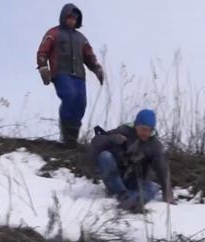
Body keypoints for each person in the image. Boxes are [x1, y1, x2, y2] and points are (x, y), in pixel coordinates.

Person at [36, 3, 104, 148]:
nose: (72, 20)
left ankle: (72, 137)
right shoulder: (53, 33)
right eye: (69, 17)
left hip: (79, 75)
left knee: (81, 102)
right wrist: (43, 67)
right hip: (61, 72)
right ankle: (65, 131)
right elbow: (43, 51)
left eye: (75, 18)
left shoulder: (81, 38)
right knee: (70, 96)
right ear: (64, 17)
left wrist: (97, 69)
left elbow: (89, 56)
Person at [87, 109, 174, 212]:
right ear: (136, 125)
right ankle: (122, 195)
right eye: (142, 129)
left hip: (134, 180)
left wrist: (167, 191)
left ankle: (132, 201)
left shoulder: (154, 145)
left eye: (148, 130)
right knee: (105, 156)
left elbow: (162, 168)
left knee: (153, 187)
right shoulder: (123, 131)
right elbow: (96, 142)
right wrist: (111, 139)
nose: (145, 133)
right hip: (115, 177)